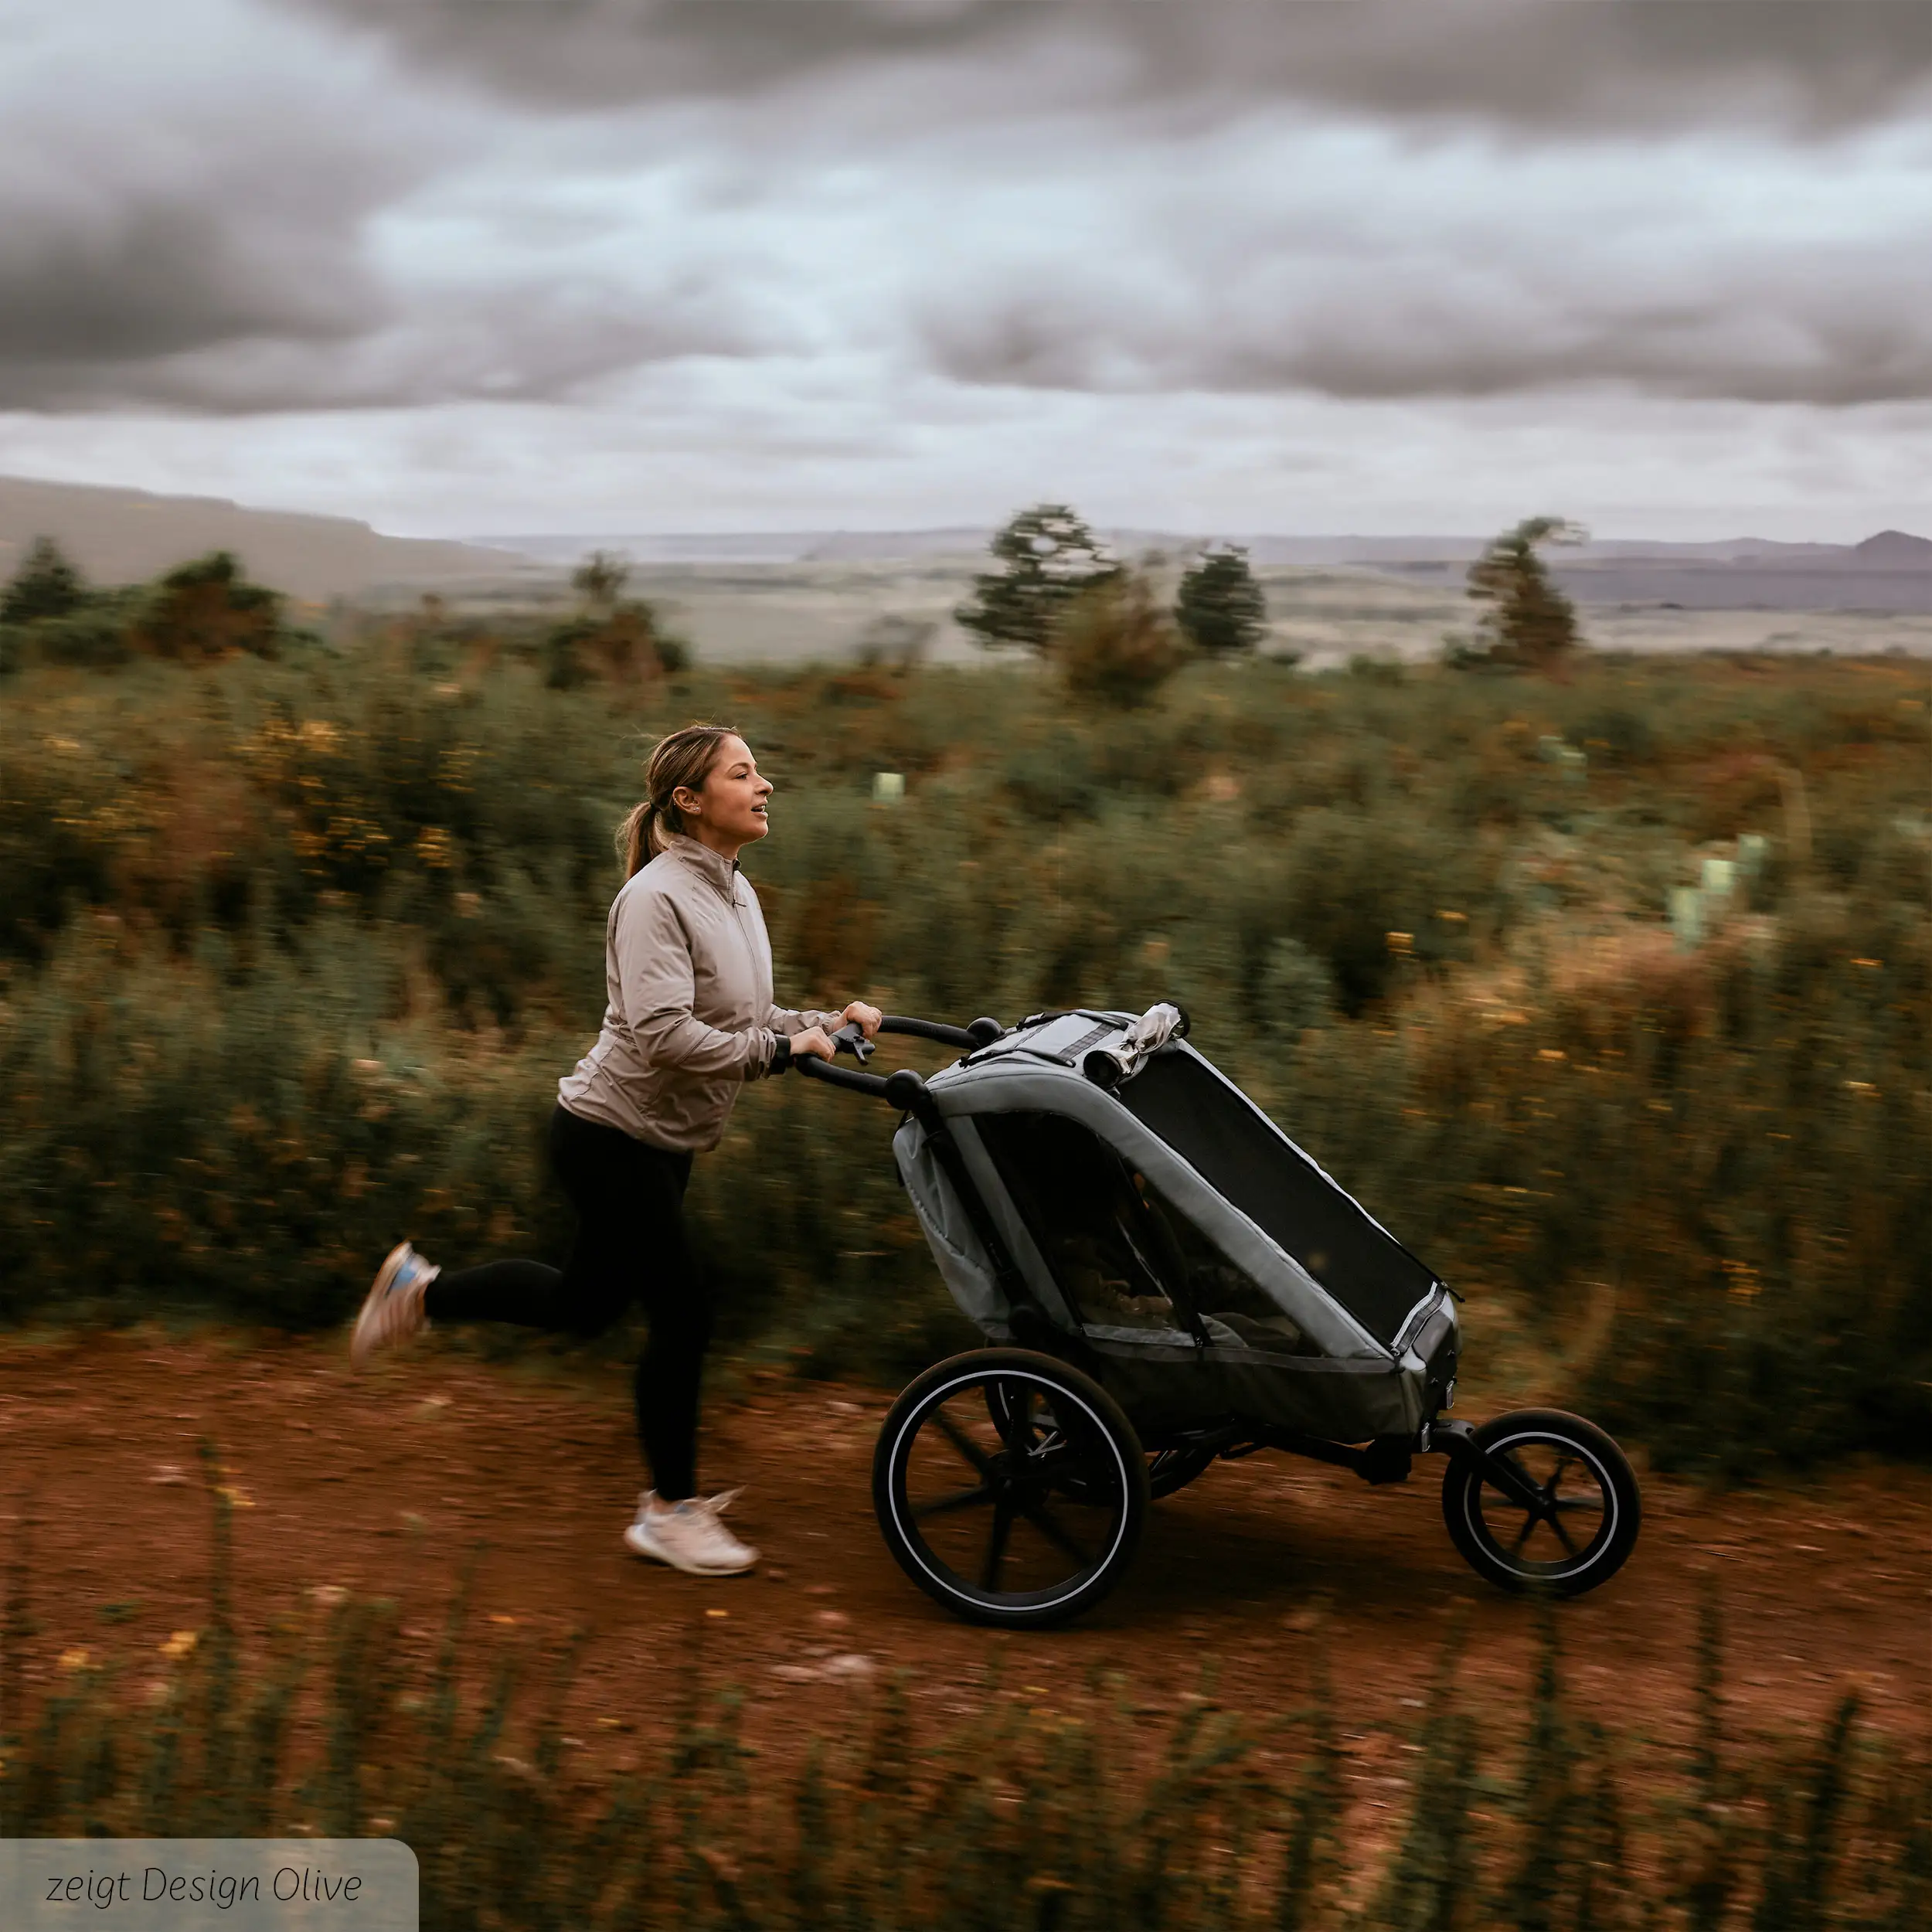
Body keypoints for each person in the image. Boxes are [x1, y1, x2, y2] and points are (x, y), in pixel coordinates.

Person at [349, 723, 879, 1577]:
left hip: (662, 1143)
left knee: (584, 1305)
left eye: (759, 772)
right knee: (685, 1311)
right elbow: (666, 1034)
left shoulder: (735, 892)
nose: (765, 784)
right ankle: (668, 1511)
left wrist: (820, 1024)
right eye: (743, 773)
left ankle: (422, 1292)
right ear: (689, 799)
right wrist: (779, 1053)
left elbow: (743, 1017)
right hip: (607, 1137)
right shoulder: (654, 898)